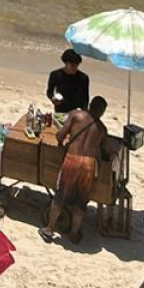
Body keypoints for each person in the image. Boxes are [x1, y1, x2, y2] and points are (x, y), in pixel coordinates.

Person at [41, 94, 109, 244]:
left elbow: (60, 135)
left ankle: (49, 229)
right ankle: (74, 232)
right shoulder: (102, 129)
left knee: (61, 195)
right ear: (102, 112)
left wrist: (65, 140)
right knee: (81, 201)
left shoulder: (77, 115)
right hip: (89, 164)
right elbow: (105, 152)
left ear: (90, 105)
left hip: (72, 159)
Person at [47, 48, 91, 114]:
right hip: (61, 110)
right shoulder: (55, 75)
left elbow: (86, 98)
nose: (75, 67)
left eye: (77, 64)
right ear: (65, 63)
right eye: (72, 65)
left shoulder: (84, 78)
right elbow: (49, 92)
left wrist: (84, 112)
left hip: (78, 112)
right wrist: (53, 99)